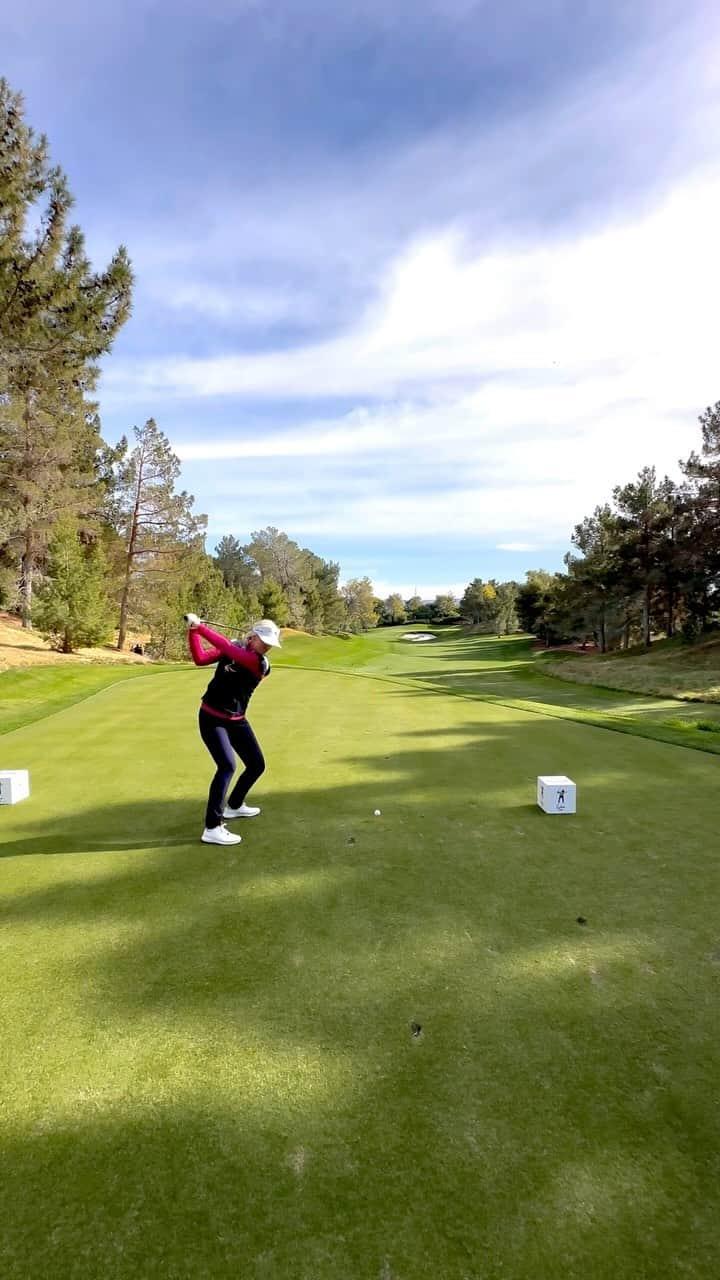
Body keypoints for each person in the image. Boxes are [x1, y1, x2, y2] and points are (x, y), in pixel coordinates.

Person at [186, 615, 282, 845]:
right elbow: (200, 659)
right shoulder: (236, 647)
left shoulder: (259, 663)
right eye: (265, 641)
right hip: (211, 717)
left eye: (271, 644)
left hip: (237, 720)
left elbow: (229, 648)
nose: (268, 647)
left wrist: (201, 628)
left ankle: (235, 805)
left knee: (257, 764)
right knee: (227, 766)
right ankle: (212, 827)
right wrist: (192, 633)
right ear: (254, 636)